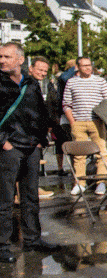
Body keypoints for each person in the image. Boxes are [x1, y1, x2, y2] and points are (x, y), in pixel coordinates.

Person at [0, 42, 60, 263]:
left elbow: (40, 113)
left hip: (31, 147)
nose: (2, 60)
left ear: (20, 60)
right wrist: (4, 143)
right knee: (5, 199)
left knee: (31, 197)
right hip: (9, 148)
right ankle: (2, 246)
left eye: (7, 56)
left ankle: (33, 240)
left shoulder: (31, 83)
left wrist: (39, 141)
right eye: (1, 56)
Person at [62, 57, 107, 196]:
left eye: (89, 65)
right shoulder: (71, 82)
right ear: (77, 67)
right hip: (78, 122)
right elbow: (66, 103)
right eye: (84, 65)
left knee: (102, 152)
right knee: (79, 155)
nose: (87, 68)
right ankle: (80, 183)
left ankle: (101, 182)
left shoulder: (100, 81)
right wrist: (72, 122)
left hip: (97, 122)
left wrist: (104, 115)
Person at [26, 57, 56, 199]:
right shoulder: (27, 83)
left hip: (34, 133)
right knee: (27, 167)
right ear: (31, 68)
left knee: (29, 167)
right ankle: (28, 192)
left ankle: (30, 190)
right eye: (40, 69)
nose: (43, 73)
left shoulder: (34, 84)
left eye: (45, 71)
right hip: (27, 134)